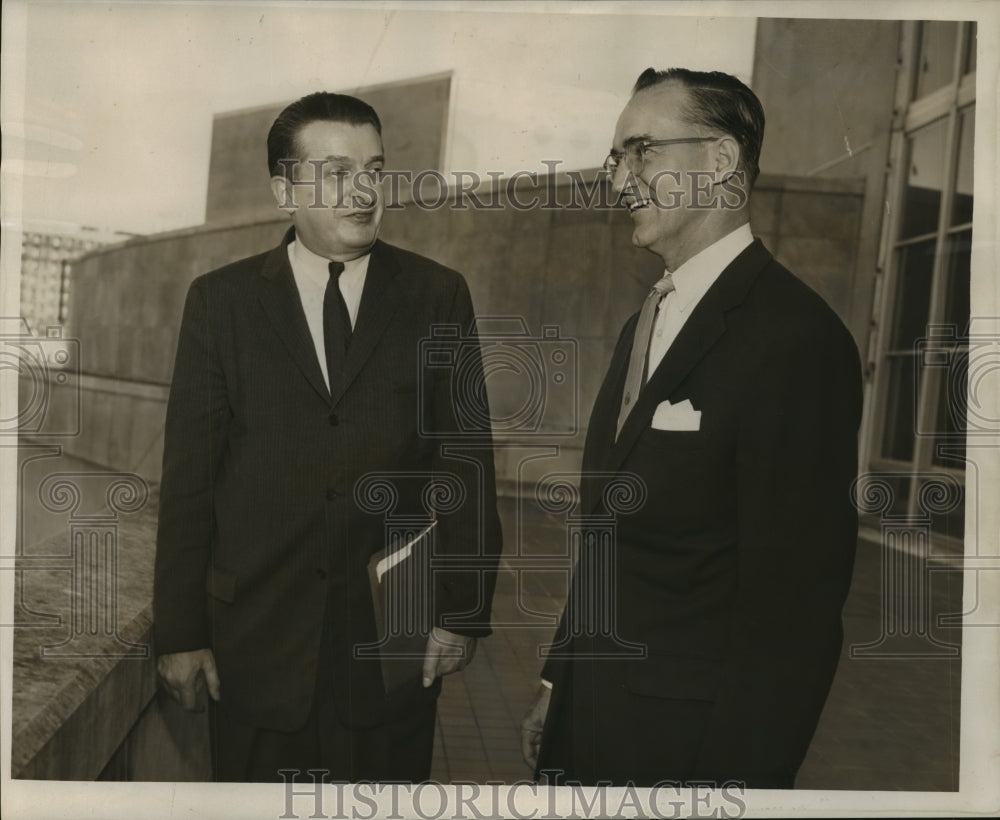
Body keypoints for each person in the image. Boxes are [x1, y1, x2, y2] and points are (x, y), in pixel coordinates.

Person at [521, 68, 862, 789]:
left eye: (640, 150)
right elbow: (607, 536)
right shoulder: (644, 323)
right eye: (616, 158)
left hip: (686, 756)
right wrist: (559, 683)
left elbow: (794, 608)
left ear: (720, 161)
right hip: (586, 730)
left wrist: (733, 789)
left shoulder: (796, 340)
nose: (618, 181)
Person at [153, 92, 502, 782]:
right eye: (338, 172)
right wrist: (181, 634)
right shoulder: (220, 303)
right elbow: (190, 478)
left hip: (392, 648)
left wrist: (462, 611)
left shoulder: (438, 296)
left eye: (374, 169)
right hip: (254, 651)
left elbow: (466, 461)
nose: (364, 190)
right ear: (286, 189)